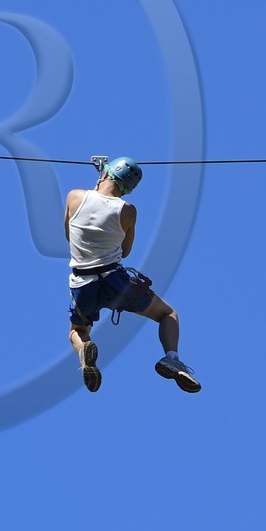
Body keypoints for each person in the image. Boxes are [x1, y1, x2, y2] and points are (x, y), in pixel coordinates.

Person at [64, 156, 201, 394]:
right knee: (167, 314)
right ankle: (172, 358)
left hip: (82, 282)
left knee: (78, 330)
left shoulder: (74, 196)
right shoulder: (127, 211)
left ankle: (85, 351)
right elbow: (125, 251)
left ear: (106, 174)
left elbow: (68, 233)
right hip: (115, 281)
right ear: (127, 189)